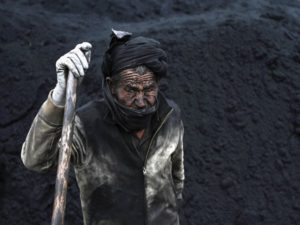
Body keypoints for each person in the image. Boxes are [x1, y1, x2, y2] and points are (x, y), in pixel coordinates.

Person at [21, 29, 185, 225]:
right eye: (131, 90)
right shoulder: (86, 124)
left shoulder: (170, 115)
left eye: (149, 89)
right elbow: (35, 160)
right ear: (111, 86)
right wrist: (59, 96)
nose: (141, 101)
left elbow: (176, 176)